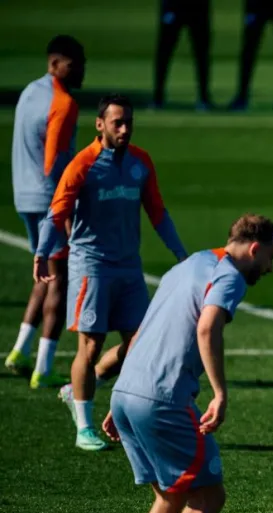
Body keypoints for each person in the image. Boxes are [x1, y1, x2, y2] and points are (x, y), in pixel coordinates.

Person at [103, 214, 273, 513]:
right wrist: (219, 392)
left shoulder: (189, 264)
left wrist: (119, 390)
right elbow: (207, 326)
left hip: (128, 393)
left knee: (169, 497)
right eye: (270, 257)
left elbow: (141, 332)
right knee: (209, 496)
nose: (270, 268)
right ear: (254, 248)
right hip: (163, 399)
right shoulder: (230, 277)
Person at [34, 94, 188, 452]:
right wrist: (42, 253)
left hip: (129, 266)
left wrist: (181, 253)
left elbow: (157, 212)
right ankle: (84, 427)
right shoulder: (83, 164)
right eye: (117, 122)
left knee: (141, 343)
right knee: (91, 345)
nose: (124, 129)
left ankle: (80, 389)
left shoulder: (140, 162)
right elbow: (58, 212)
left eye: (128, 122)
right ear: (100, 124)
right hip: (92, 266)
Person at [6, 35, 85, 388]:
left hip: (23, 194)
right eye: (74, 64)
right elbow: (54, 162)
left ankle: (20, 351)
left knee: (44, 274)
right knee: (59, 280)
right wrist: (64, 210)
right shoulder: (64, 103)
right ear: (55, 64)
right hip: (48, 200)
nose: (81, 71)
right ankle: (44, 368)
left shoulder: (29, 92)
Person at [152, 0, 212, 111]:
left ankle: (204, 98)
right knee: (164, 50)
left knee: (201, 52)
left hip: (198, 7)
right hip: (174, 5)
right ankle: (157, 97)